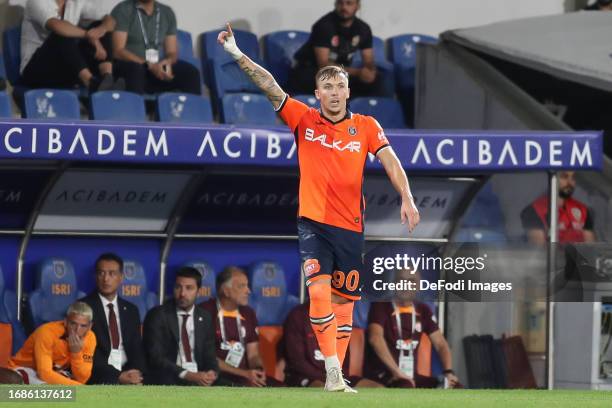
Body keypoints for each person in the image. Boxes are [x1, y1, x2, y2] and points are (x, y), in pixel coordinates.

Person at [218, 23, 420, 392]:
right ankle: (330, 371)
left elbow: (391, 161)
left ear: (348, 90)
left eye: (339, 85)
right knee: (320, 292)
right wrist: (236, 53)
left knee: (345, 303)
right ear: (317, 94)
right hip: (313, 222)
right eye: (327, 86)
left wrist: (406, 196)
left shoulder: (367, 126)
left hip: (351, 227)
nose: (334, 91)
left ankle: (336, 374)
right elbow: (269, 85)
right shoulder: (304, 120)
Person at [365, 269, 460, 388]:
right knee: (405, 384)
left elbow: (440, 343)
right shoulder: (381, 305)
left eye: (411, 281)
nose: (406, 285)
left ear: (418, 286)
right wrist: (397, 372)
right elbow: (375, 338)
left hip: (411, 376)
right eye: (401, 280)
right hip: (384, 375)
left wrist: (448, 372)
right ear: (394, 283)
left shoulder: (423, 309)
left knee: (454, 386)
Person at [20, 0, 124, 92]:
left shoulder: (76, 2)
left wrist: (101, 30)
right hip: (35, 70)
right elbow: (57, 26)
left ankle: (107, 78)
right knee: (61, 34)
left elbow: (110, 20)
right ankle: (92, 84)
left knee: (99, 26)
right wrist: (89, 36)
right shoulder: (36, 1)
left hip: (63, 67)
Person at [288, 0, 386, 97]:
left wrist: (370, 71)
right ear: (336, 4)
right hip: (312, 71)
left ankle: (366, 109)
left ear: (357, 6)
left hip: (341, 73)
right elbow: (323, 65)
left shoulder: (363, 28)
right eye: (340, 3)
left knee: (378, 80)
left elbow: (368, 60)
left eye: (349, 3)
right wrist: (358, 72)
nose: (344, 7)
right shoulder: (324, 25)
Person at [200, 266, 278, 387]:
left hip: (245, 377)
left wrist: (258, 371)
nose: (248, 291)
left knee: (280, 387)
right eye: (242, 286)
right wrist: (245, 374)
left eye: (247, 285)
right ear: (226, 291)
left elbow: (253, 355)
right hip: (216, 377)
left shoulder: (249, 313)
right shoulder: (205, 312)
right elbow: (207, 357)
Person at [143, 266, 218, 385]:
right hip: (169, 378)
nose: (182, 293)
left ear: (198, 291)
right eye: (178, 287)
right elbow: (156, 357)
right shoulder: (158, 315)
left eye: (189, 288)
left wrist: (212, 373)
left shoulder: (205, 317)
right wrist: (187, 375)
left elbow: (210, 356)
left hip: (198, 378)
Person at [79, 253, 146, 385]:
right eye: (101, 273)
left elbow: (136, 348)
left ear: (121, 277)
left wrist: (136, 372)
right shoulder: (83, 308)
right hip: (100, 373)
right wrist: (118, 376)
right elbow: (87, 353)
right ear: (95, 276)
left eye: (112, 274)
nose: (106, 279)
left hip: (128, 371)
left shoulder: (131, 310)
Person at [282, 301, 382, 388]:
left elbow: (344, 360)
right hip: (305, 376)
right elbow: (298, 362)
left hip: (336, 376)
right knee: (322, 388)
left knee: (376, 387)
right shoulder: (297, 316)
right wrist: (328, 378)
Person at [110, 0, 200, 95]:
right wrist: (148, 65)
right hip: (130, 65)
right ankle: (137, 108)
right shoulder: (123, 9)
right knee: (136, 70)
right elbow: (118, 51)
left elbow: (172, 51)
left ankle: (190, 108)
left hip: (155, 66)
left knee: (191, 73)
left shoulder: (167, 12)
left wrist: (167, 63)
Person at [8, 302, 96, 385]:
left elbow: (82, 379)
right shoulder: (46, 333)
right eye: (73, 324)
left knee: (67, 390)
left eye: (83, 326)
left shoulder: (90, 338)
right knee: (51, 391)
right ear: (65, 322)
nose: (77, 330)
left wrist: (76, 353)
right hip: (25, 369)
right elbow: (44, 373)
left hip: (54, 371)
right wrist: (81, 389)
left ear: (90, 326)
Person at [520, 171, 596, 244]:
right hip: (551, 257)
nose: (570, 183)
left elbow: (589, 246)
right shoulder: (533, 210)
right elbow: (540, 251)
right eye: (564, 177)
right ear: (552, 179)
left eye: (573, 178)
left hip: (578, 257)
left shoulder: (583, 210)